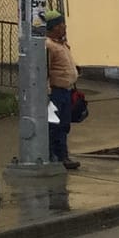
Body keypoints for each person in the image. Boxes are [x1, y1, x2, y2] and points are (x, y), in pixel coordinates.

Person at [44, 12, 80, 172]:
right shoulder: (49, 46)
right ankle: (54, 155)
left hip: (66, 91)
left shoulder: (61, 44)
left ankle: (63, 155)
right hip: (55, 92)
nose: (64, 27)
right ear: (52, 28)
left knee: (64, 125)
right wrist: (47, 92)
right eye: (60, 25)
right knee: (54, 125)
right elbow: (45, 69)